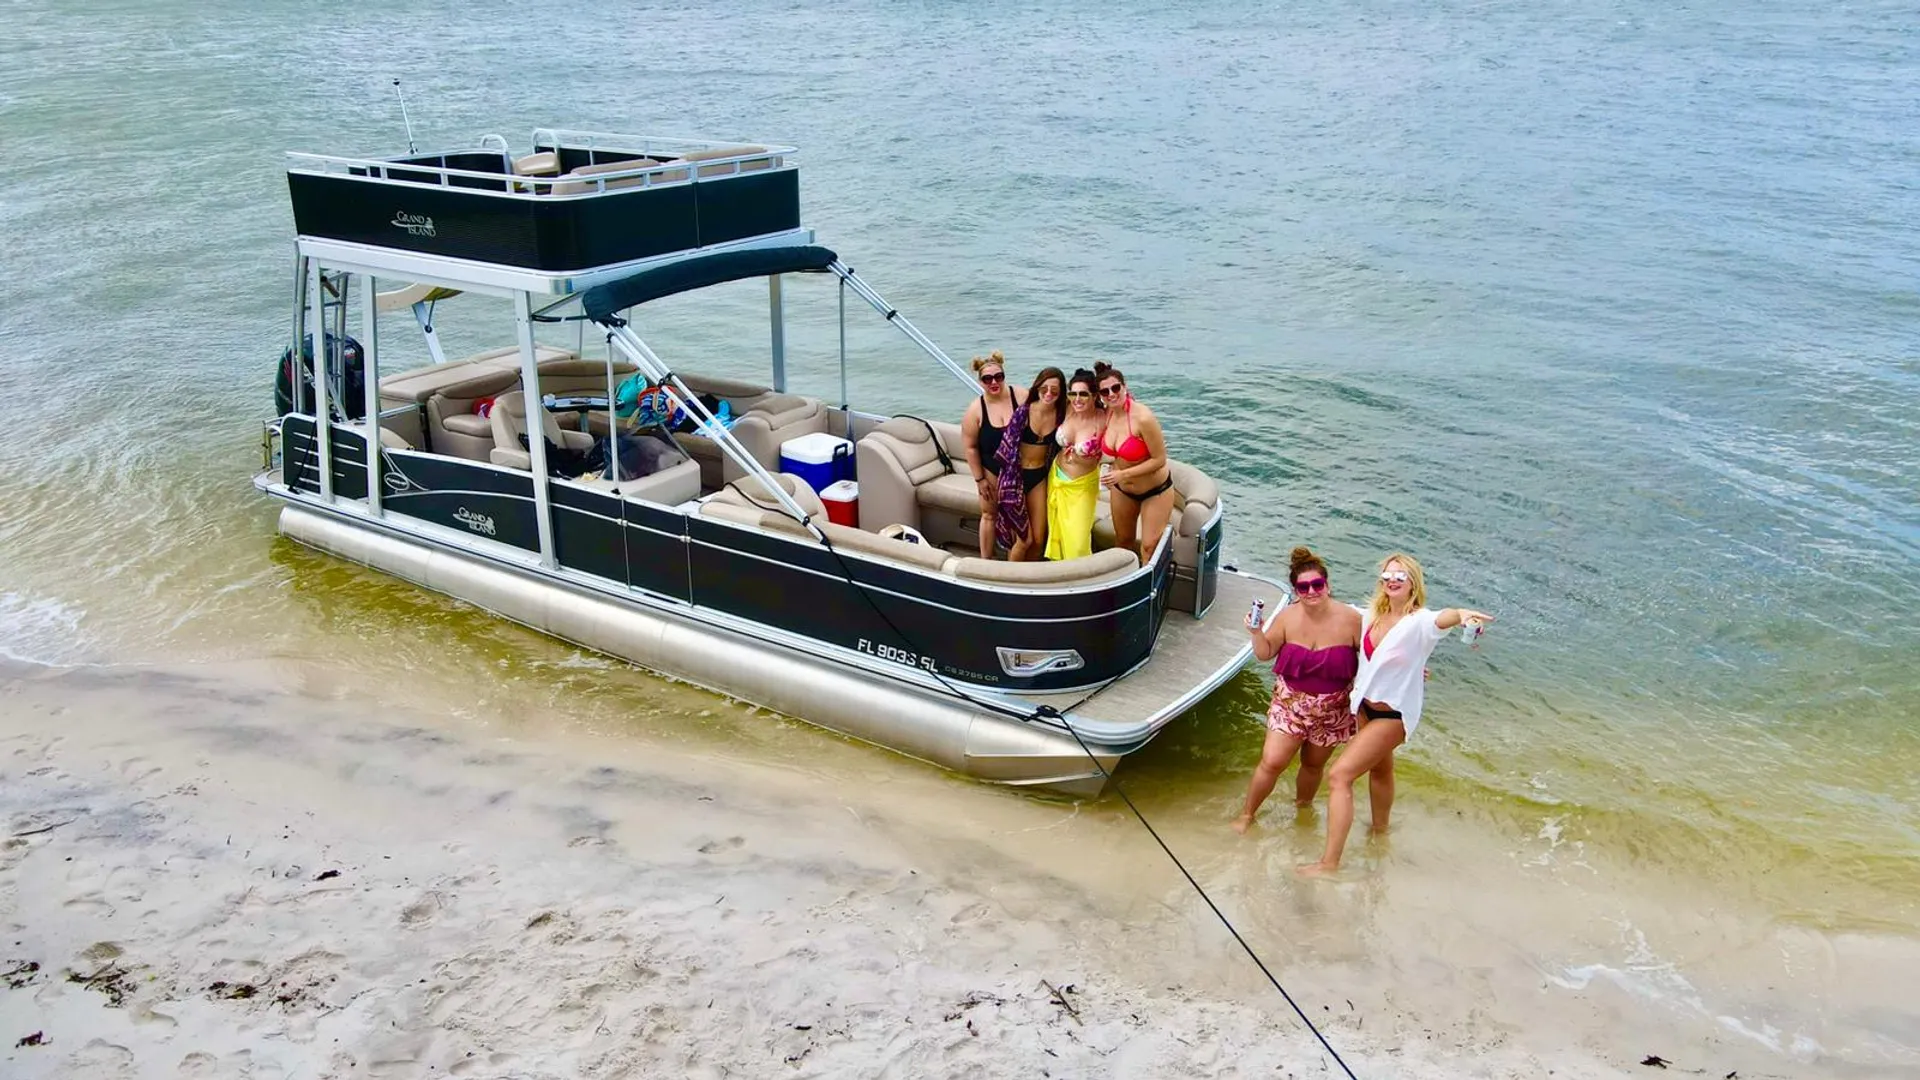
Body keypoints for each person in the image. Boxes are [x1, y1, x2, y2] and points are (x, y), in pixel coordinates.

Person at [1298, 553, 1493, 876]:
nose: (1392, 580)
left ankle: (1329, 863)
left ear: (1412, 583)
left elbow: (1442, 619)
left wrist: (1461, 615)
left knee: (1339, 776)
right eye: (1388, 575)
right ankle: (1380, 832)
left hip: (1393, 717)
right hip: (1364, 709)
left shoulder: (1419, 622)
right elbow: (1332, 611)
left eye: (1400, 576)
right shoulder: (1369, 616)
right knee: (1380, 771)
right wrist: (1307, 594)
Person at [1232, 546, 1361, 833]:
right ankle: (1246, 816)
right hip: (1290, 705)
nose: (1312, 591)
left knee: (1313, 766)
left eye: (1318, 584)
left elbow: (1374, 655)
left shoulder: (1352, 620)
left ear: (1328, 585)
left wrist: (1408, 670)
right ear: (1296, 590)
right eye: (1304, 587)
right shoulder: (1287, 618)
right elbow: (1265, 654)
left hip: (1333, 710)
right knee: (1272, 761)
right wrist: (1256, 633)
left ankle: (1302, 810)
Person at [1095, 362, 1177, 565]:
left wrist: (1123, 475)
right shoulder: (1108, 414)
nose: (1111, 394)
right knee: (1123, 542)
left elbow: (1159, 460)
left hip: (1155, 490)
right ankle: (1124, 591)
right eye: (1105, 391)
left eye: (1116, 388)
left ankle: (1152, 592)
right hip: (1123, 491)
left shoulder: (1143, 418)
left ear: (1125, 387)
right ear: (1100, 396)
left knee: (1149, 547)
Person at [960, 351, 1025, 559]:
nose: (994, 382)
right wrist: (980, 479)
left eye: (999, 376)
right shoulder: (975, 410)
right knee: (989, 515)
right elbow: (970, 447)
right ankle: (985, 561)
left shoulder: (1021, 396)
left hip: (1020, 471)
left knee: (1019, 517)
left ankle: (1013, 561)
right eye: (987, 379)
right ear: (980, 381)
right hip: (991, 471)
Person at [1046, 369, 1105, 561]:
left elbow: (1128, 417)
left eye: (1083, 394)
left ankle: (1082, 581)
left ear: (1094, 395)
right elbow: (1041, 395)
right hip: (1056, 478)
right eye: (1073, 393)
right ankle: (1060, 578)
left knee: (1078, 543)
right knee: (1057, 535)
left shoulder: (1104, 418)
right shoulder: (1068, 408)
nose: (1077, 399)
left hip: (1082, 486)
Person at [1013, 367, 1065, 561]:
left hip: (1039, 476)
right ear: (1037, 388)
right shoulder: (1024, 412)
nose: (1049, 394)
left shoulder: (1061, 415)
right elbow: (1007, 448)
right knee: (1021, 540)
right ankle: (1009, 581)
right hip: (1016, 478)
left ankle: (1029, 580)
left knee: (1038, 539)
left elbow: (1088, 404)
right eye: (1044, 389)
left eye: (1055, 391)